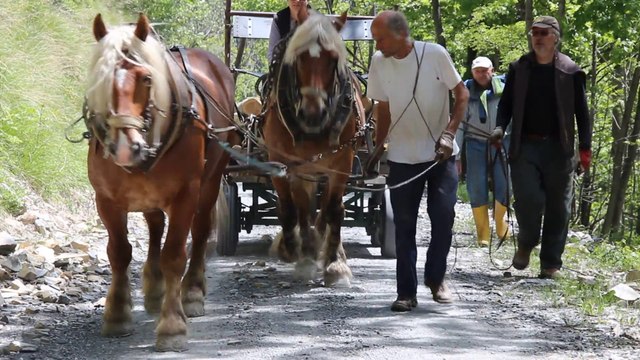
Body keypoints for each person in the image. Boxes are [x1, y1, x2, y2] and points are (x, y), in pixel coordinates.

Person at [366, 10, 469, 311]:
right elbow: (382, 109)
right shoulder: (378, 63)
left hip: (441, 156)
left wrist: (449, 134)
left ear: (400, 34)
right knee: (404, 226)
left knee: (443, 217)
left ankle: (436, 280)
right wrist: (377, 149)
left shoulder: (435, 54)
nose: (377, 46)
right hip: (401, 156)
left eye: (380, 39)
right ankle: (406, 293)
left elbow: (461, 95)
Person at [489, 16, 592, 279]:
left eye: (544, 33)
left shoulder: (570, 70)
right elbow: (506, 104)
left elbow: (582, 112)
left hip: (560, 148)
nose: (537, 37)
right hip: (524, 145)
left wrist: (585, 150)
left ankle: (550, 264)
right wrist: (500, 126)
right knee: (529, 200)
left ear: (555, 37)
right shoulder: (519, 68)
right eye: (534, 32)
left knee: (560, 206)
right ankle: (526, 242)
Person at [456, 56, 510, 247]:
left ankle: (501, 225)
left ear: (492, 70)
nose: (481, 74)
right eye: (477, 70)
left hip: (503, 142)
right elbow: (459, 125)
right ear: (472, 72)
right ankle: (483, 233)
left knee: (504, 183)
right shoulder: (464, 91)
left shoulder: (505, 89)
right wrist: (456, 155)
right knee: (476, 186)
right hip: (475, 143)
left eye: (484, 70)